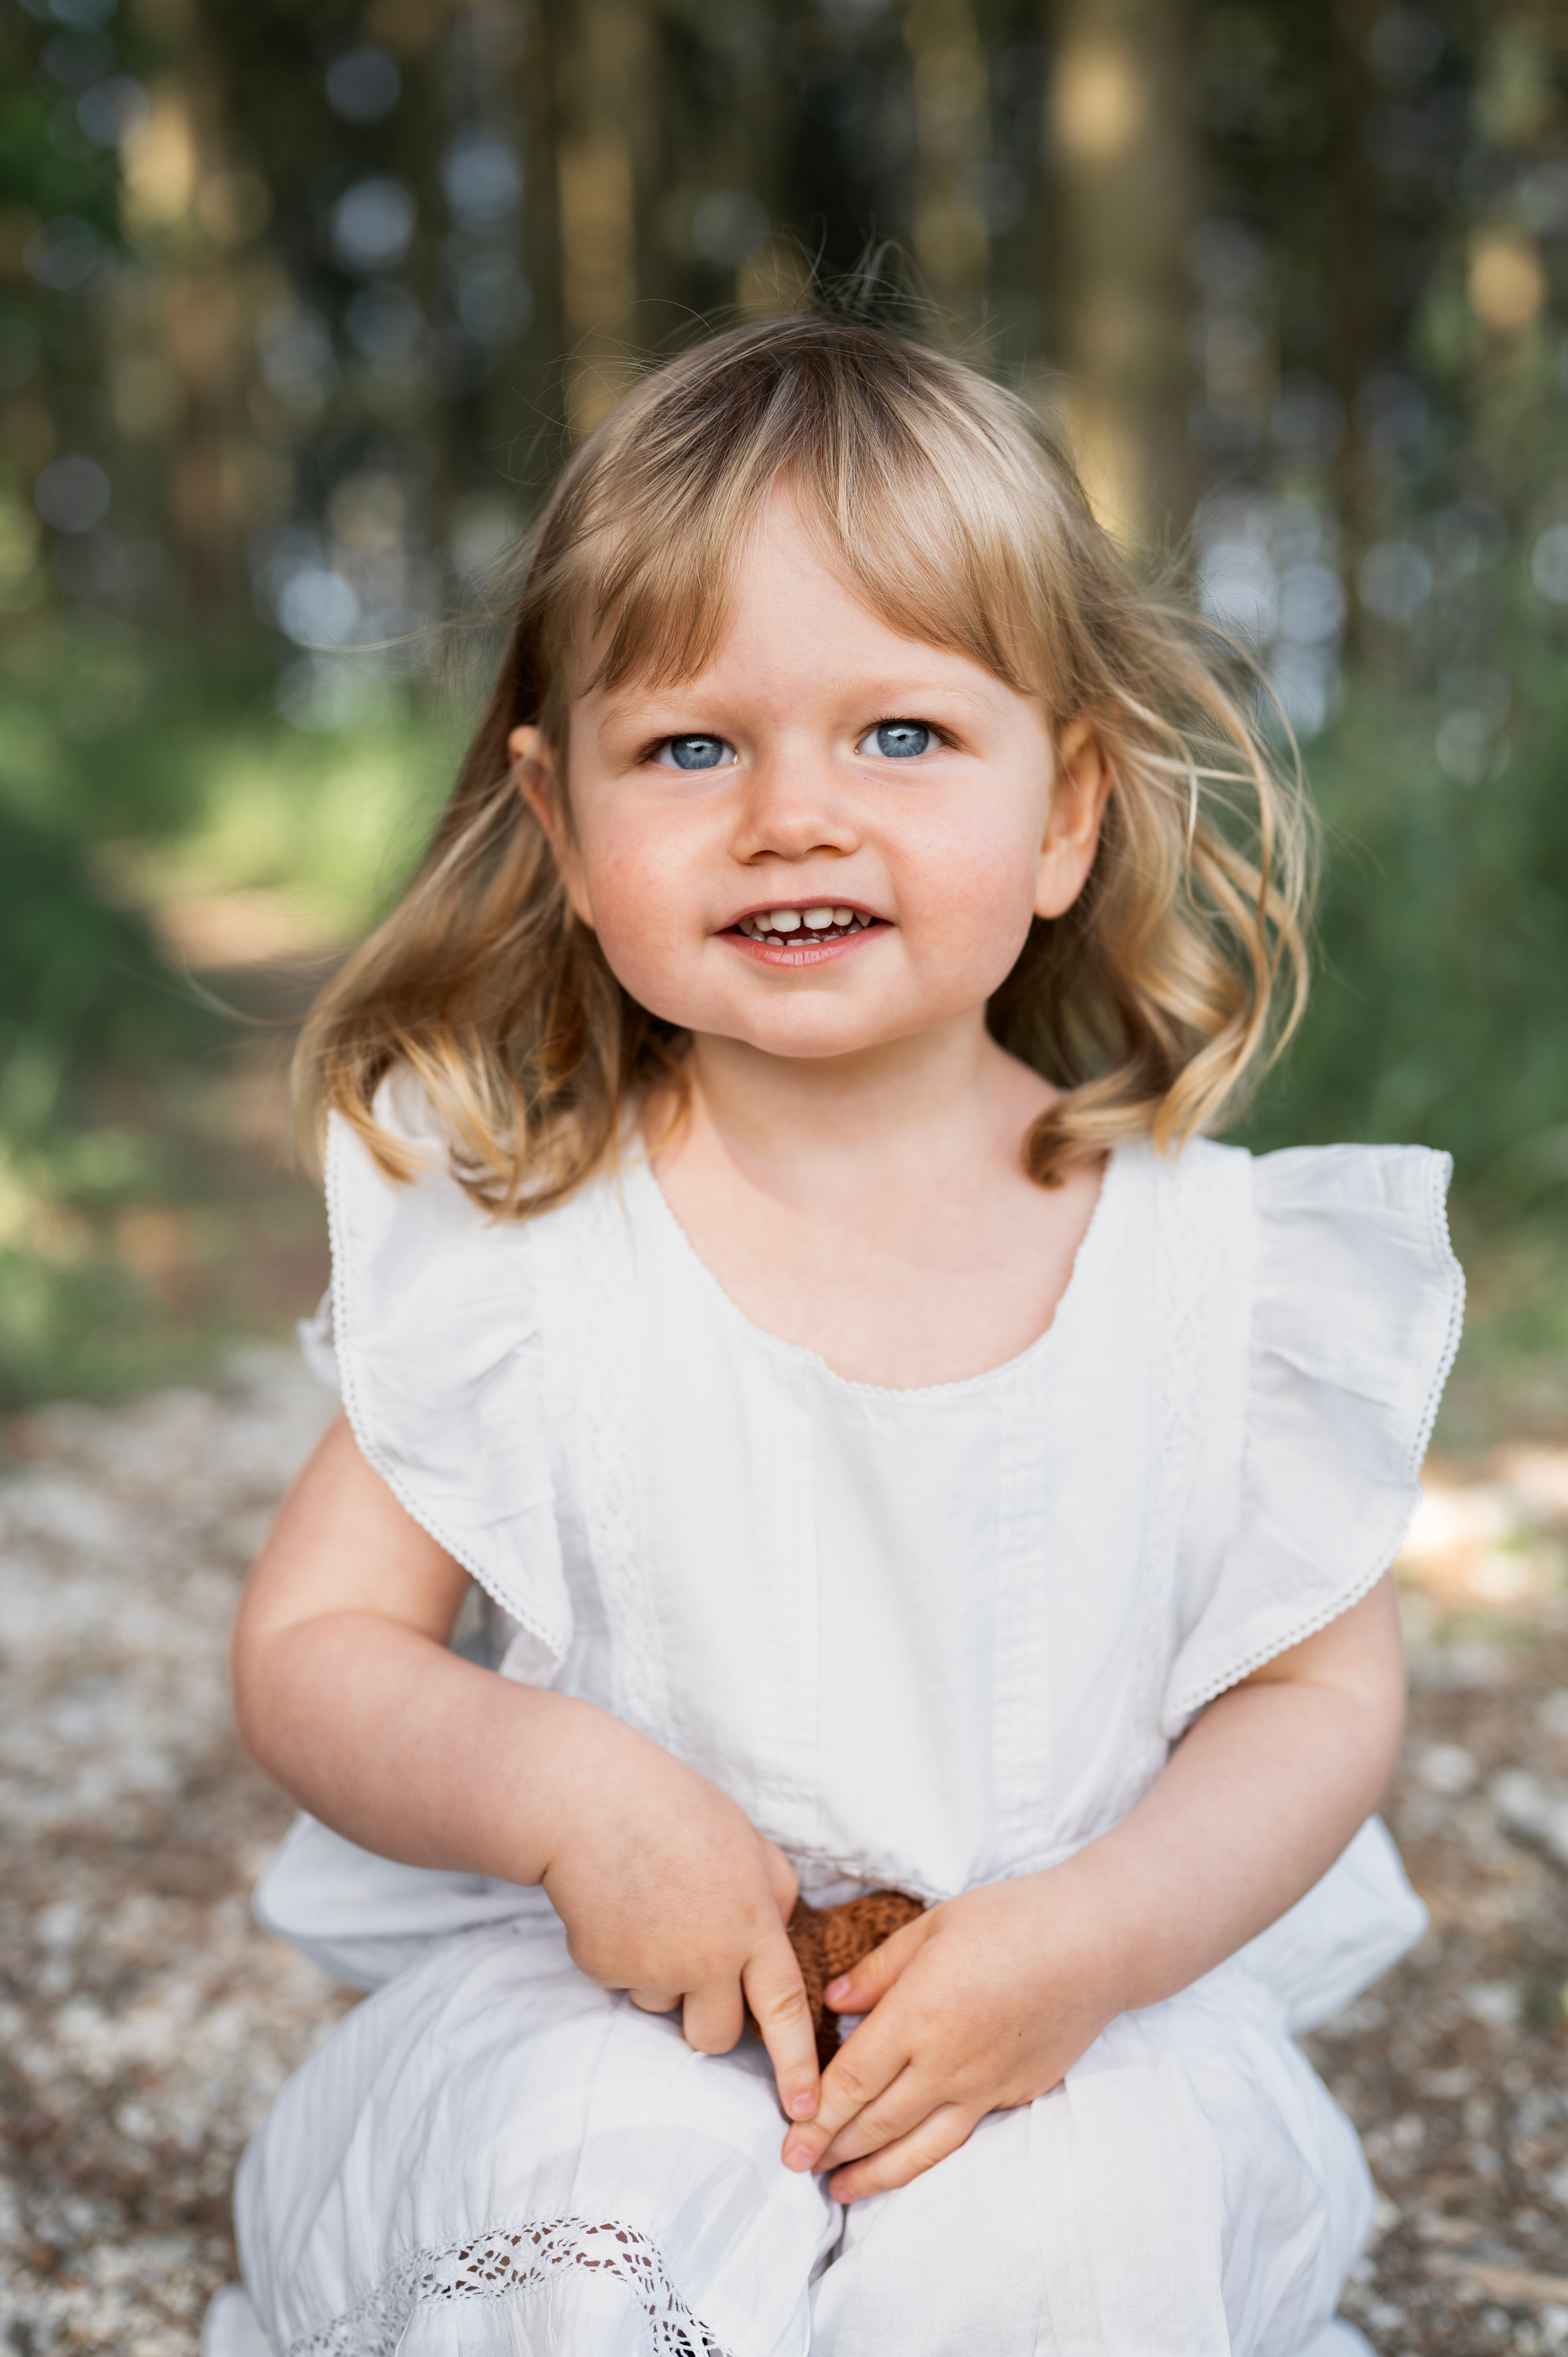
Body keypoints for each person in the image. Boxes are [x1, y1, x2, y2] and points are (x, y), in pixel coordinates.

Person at [213, 311, 1462, 2357]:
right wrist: (563, 1798)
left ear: (1063, 810)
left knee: (1065, 2251)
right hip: (621, 2009)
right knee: (576, 2214)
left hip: (1055, 2013)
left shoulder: (1207, 1279)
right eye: (693, 747)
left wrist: (1099, 1933)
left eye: (901, 736)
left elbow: (1319, 1704)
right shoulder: (535, 1253)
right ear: (560, 823)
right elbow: (311, 1648)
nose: (794, 811)